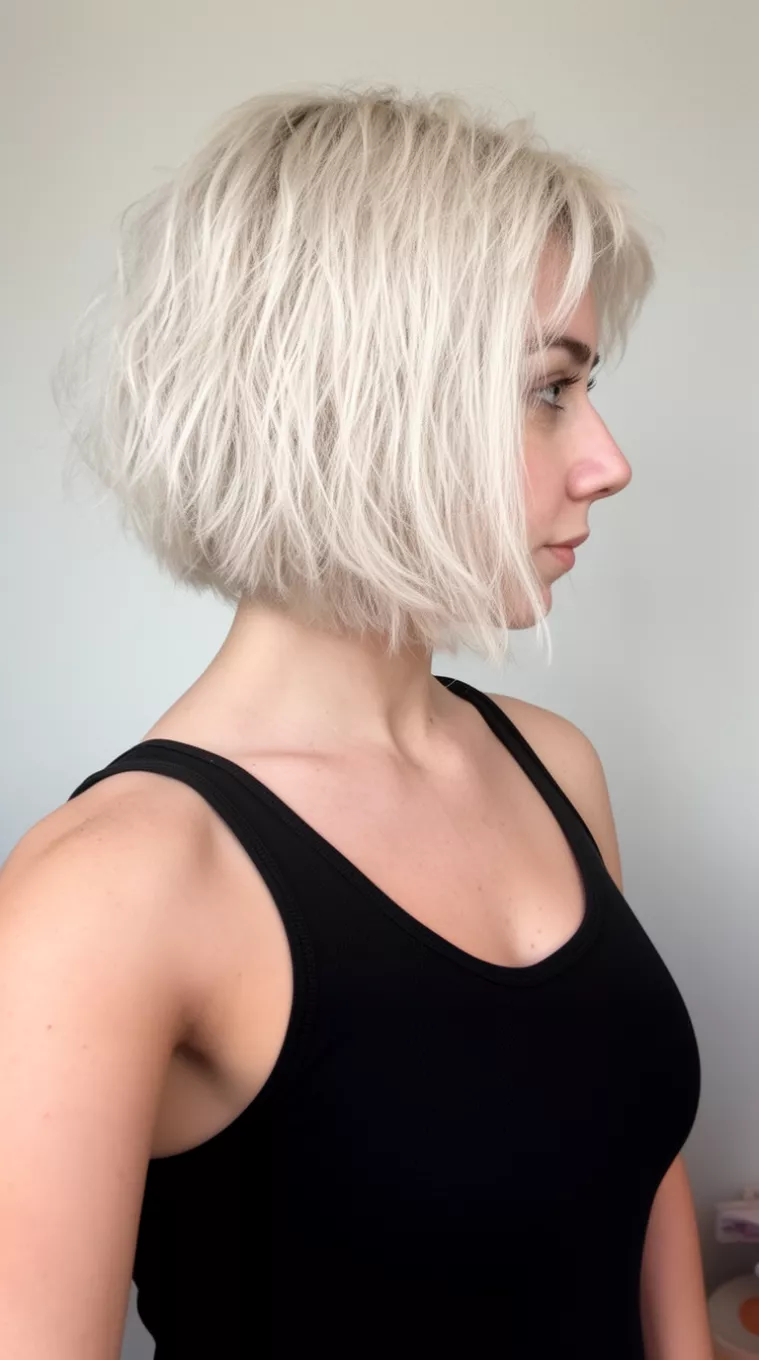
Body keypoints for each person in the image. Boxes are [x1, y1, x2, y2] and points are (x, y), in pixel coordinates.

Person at [0, 87, 713, 1359]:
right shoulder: (112, 889)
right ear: (360, 403)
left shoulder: (554, 767)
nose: (605, 458)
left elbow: (632, 1150)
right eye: (551, 389)